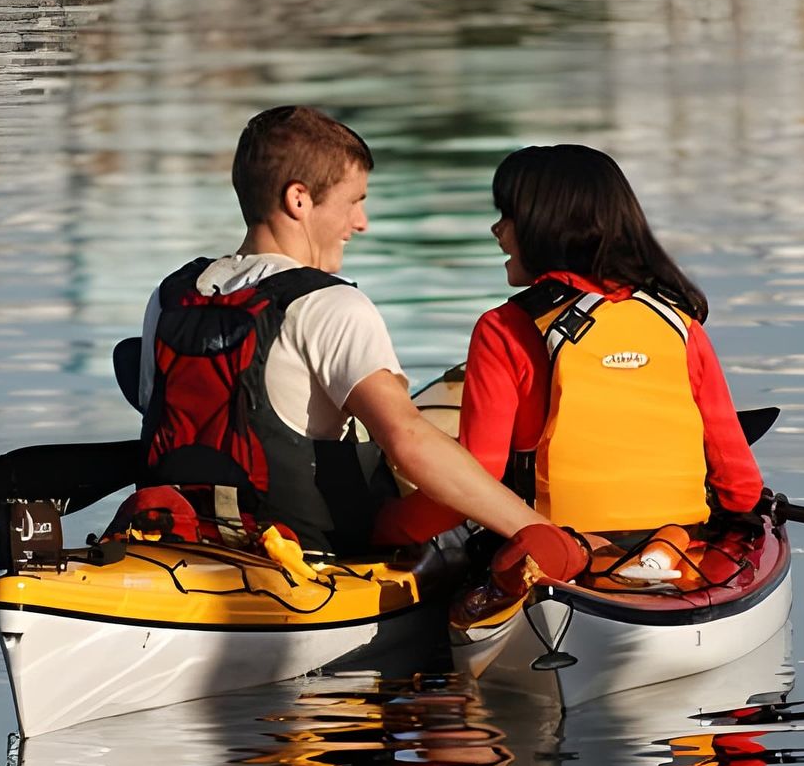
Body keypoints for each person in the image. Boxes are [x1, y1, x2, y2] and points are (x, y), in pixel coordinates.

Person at [121, 106, 582, 576]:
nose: (360, 222)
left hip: (179, 546)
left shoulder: (171, 294)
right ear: (299, 200)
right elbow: (410, 441)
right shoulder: (329, 305)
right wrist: (546, 534)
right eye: (353, 201)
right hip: (314, 564)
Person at [374, 143, 763, 583]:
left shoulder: (505, 328)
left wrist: (383, 527)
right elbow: (741, 487)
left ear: (548, 226)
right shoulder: (679, 322)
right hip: (680, 547)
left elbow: (467, 488)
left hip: (557, 550)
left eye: (509, 215)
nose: (496, 229)